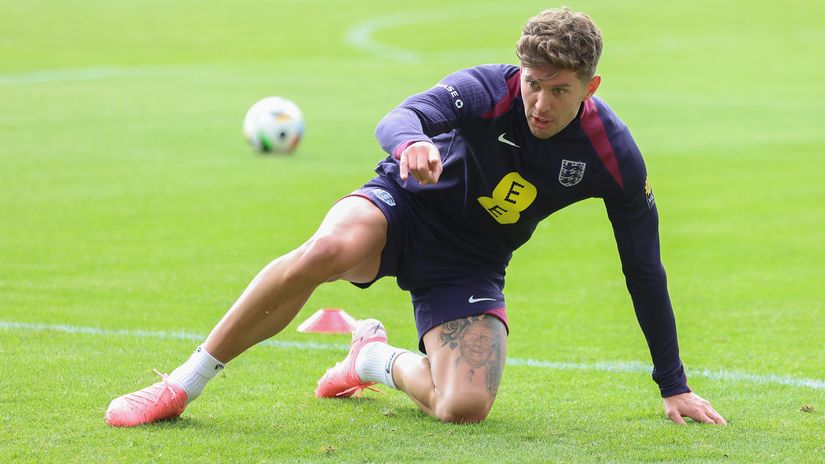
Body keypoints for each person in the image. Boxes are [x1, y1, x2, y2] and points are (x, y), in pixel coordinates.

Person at [105, 7, 726, 427]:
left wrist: (672, 383)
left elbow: (644, 267)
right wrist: (411, 147)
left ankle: (370, 358)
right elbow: (398, 118)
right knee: (323, 253)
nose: (539, 101)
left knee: (465, 408)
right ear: (521, 70)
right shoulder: (490, 88)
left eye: (559, 89)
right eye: (534, 82)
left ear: (591, 87)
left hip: (471, 262)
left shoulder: (613, 155)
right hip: (402, 209)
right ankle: (182, 385)